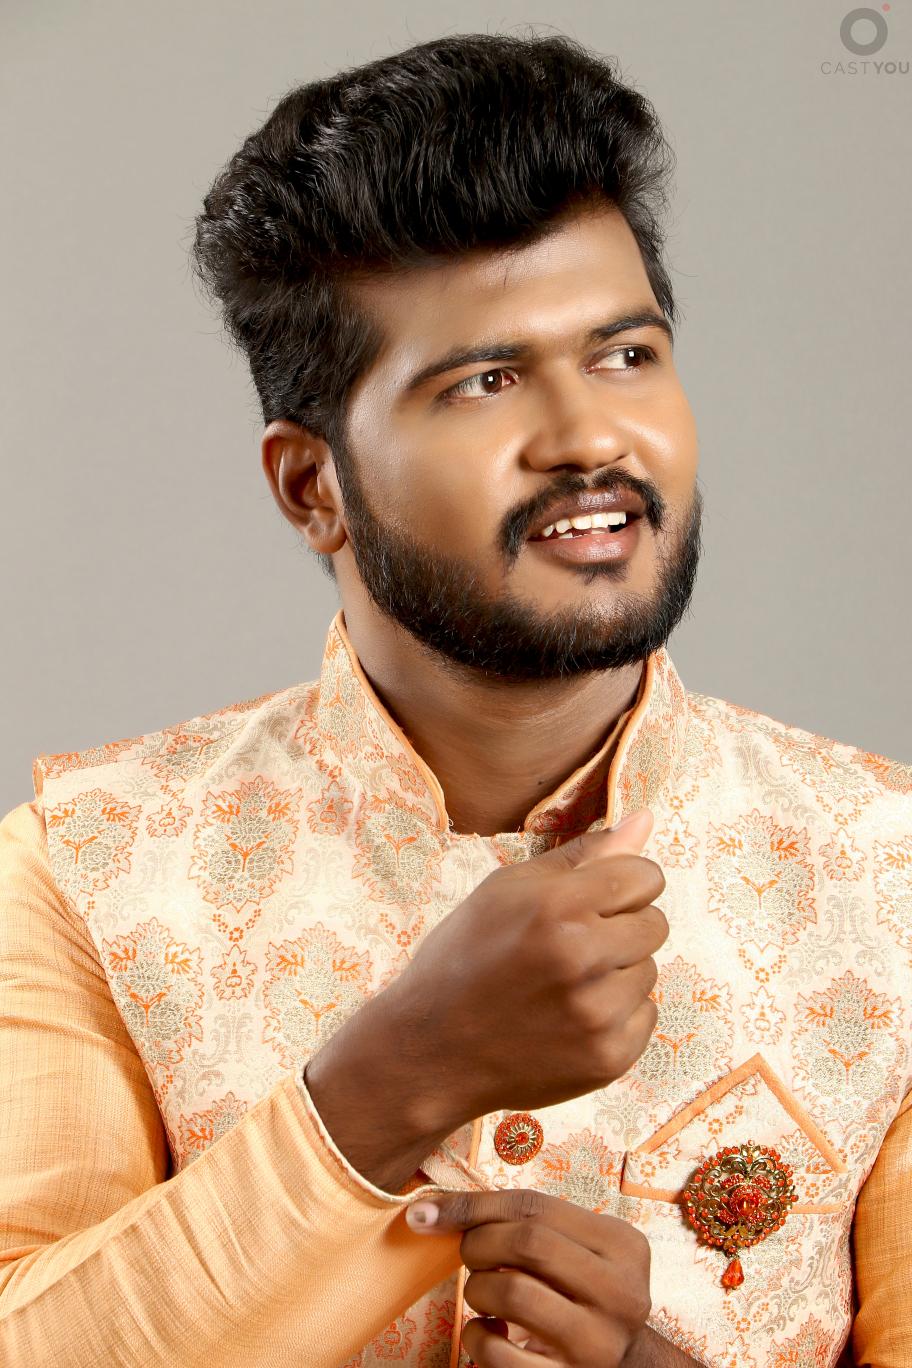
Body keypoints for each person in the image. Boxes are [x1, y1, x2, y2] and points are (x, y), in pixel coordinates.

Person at [1, 30, 909, 1368]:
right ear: (312, 485)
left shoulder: (889, 876)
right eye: (485, 381)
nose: (590, 438)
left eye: (625, 355)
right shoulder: (82, 870)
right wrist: (391, 1080)